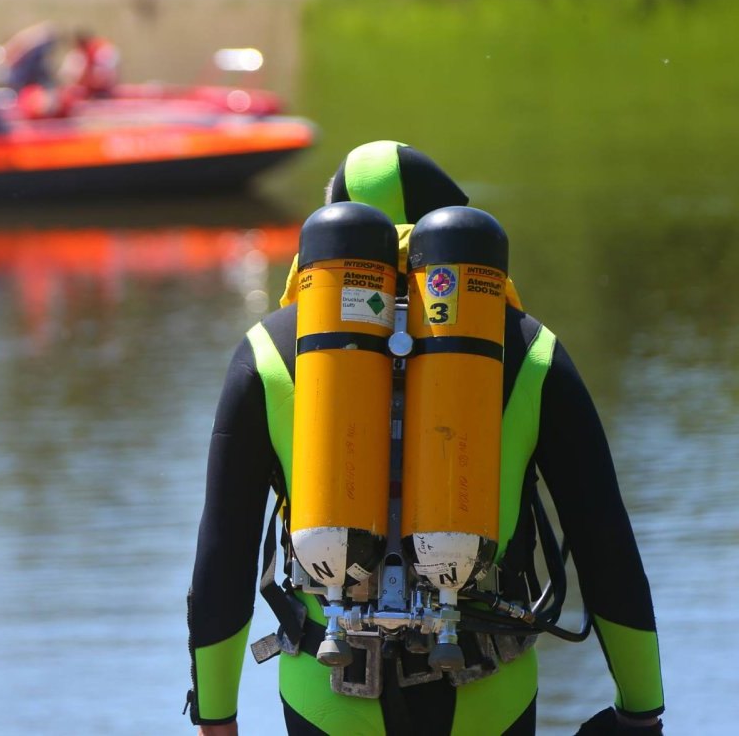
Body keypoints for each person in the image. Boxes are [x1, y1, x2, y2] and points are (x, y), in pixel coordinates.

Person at [185, 140, 664, 735]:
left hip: (330, 690)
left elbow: (223, 555)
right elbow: (603, 539)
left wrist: (215, 718)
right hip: (487, 690)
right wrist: (642, 708)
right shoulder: (527, 349)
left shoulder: (270, 350)